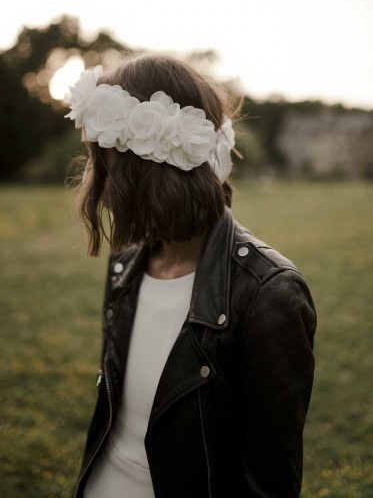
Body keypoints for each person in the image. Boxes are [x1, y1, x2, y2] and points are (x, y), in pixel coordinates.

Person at [64, 53, 317, 498]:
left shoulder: (268, 294)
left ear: (146, 169)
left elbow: (270, 483)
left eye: (106, 163)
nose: (96, 182)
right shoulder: (126, 265)